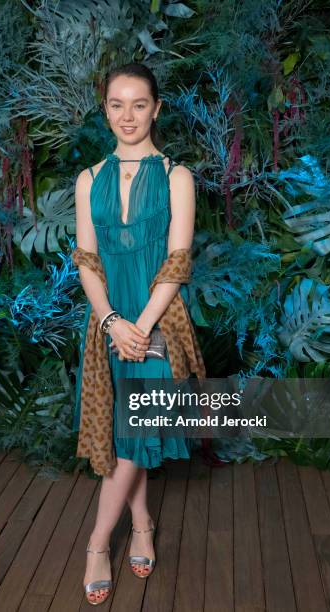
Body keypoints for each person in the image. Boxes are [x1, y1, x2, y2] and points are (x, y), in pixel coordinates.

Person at [73, 62, 203, 606]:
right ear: (105, 110)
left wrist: (140, 329)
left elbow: (177, 260)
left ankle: (98, 543)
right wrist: (109, 321)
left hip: (156, 319)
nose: (128, 116)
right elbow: (86, 260)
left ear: (156, 108)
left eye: (139, 104)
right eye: (117, 104)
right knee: (130, 435)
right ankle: (143, 522)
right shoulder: (88, 179)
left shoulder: (177, 175)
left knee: (133, 433)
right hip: (108, 319)